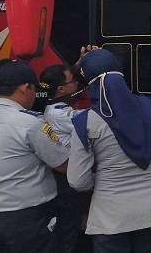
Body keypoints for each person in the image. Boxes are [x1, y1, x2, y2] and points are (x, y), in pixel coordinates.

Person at [68, 49, 151, 253]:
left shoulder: (86, 121)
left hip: (110, 216)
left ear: (92, 85)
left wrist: (101, 182)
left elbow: (77, 180)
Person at [0, 60, 69, 253]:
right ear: (25, 88)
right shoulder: (29, 124)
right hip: (30, 219)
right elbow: (63, 165)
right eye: (34, 90)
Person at [40, 52, 94, 253]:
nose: (77, 84)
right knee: (68, 230)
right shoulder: (60, 114)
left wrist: (78, 64)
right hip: (64, 181)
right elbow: (91, 119)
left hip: (59, 178)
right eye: (73, 81)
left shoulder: (50, 106)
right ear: (61, 89)